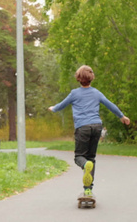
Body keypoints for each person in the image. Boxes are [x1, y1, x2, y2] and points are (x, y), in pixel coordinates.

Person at [48, 65, 130, 196]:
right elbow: (110, 105)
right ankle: (88, 189)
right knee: (91, 158)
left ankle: (85, 165)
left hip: (83, 127)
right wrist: (122, 116)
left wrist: (53, 108)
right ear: (92, 78)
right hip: (97, 127)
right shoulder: (96, 93)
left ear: (78, 79)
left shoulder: (74, 93)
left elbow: (62, 105)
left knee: (79, 157)